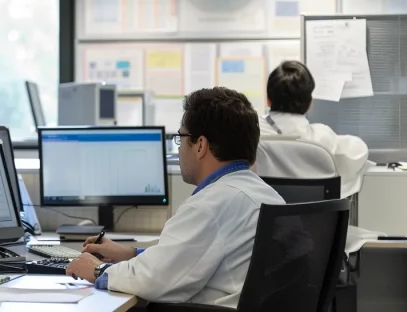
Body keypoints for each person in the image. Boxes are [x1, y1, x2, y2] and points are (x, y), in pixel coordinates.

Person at [65, 87, 286, 308]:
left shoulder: (211, 204)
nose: (179, 150)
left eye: (180, 137)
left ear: (200, 145)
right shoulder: (267, 195)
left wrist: (97, 270)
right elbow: (186, 258)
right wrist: (132, 253)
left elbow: (156, 280)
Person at [261, 60, 371, 198]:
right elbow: (359, 151)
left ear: (268, 100)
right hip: (314, 219)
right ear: (309, 102)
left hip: (264, 218)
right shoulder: (322, 138)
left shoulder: (252, 135)